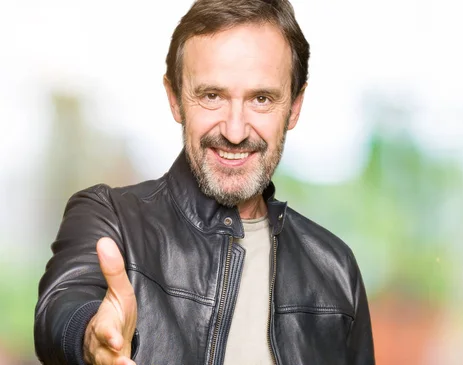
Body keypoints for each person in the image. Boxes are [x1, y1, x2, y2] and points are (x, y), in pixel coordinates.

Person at [34, 0, 375, 364]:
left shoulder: (336, 270)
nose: (234, 130)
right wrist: (91, 336)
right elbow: (62, 304)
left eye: (262, 99)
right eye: (212, 96)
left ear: (294, 107)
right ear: (175, 98)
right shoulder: (110, 219)